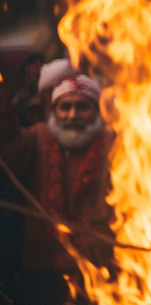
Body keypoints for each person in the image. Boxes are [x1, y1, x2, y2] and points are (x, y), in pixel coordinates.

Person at [0, 66, 112, 305]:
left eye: (82, 106)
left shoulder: (114, 147)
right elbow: (9, 143)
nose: (73, 115)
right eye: (65, 106)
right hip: (45, 275)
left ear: (97, 111)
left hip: (104, 274)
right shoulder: (37, 138)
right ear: (53, 111)